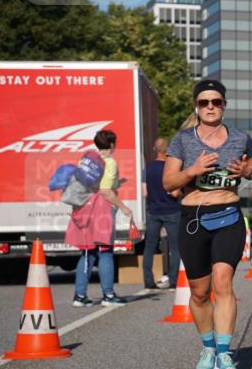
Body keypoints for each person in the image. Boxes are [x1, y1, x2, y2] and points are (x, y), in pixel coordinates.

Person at [163, 79, 252, 369]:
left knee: (223, 282)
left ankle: (224, 352)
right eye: (204, 102)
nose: (210, 107)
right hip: (193, 219)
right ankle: (207, 347)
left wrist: (246, 172)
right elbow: (168, 183)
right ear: (197, 105)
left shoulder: (240, 138)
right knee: (200, 292)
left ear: (224, 105)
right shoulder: (182, 140)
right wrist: (192, 170)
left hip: (228, 215)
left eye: (216, 102)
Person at [68, 130, 134, 306]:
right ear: (112, 144)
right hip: (102, 209)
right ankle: (108, 295)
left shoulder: (86, 159)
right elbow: (105, 191)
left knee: (88, 251)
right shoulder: (110, 162)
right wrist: (123, 207)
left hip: (85, 207)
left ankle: (79, 296)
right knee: (105, 251)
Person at [142, 137, 181, 290]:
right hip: (171, 211)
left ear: (154, 150)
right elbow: (176, 193)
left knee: (149, 247)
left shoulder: (148, 168)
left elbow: (145, 193)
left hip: (153, 211)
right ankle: (173, 281)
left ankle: (148, 281)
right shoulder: (170, 168)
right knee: (175, 248)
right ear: (168, 151)